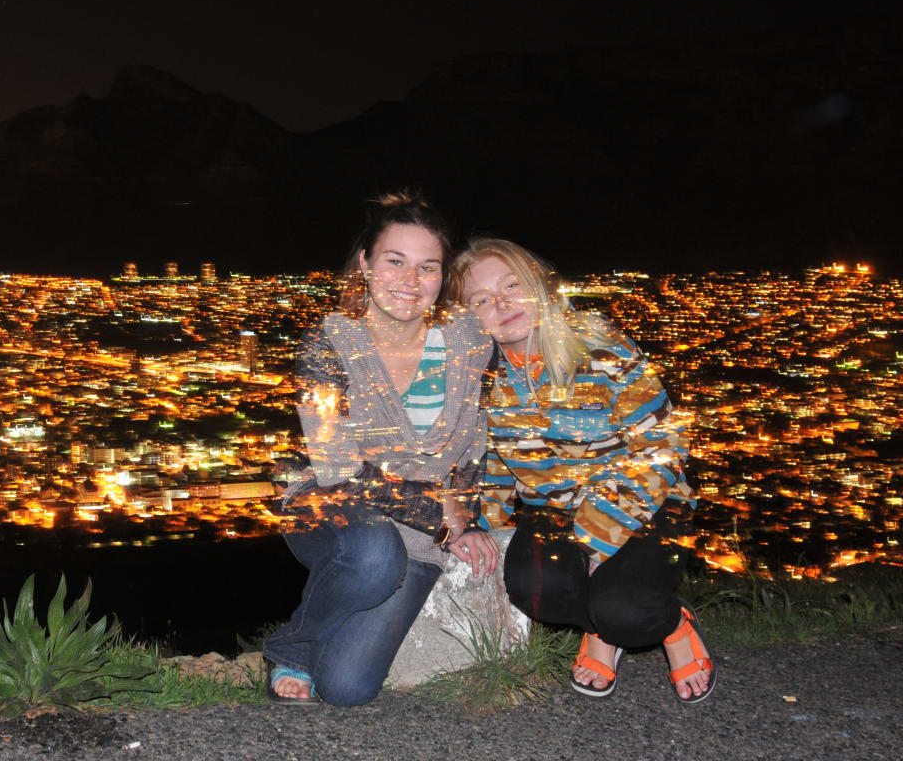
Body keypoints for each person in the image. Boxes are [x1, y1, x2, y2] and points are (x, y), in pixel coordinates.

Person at [452, 238, 714, 703]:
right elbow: (493, 462)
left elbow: (664, 443)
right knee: (534, 591)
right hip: (553, 511)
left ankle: (670, 625)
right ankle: (601, 624)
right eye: (482, 300)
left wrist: (598, 536)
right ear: (470, 318)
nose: (502, 303)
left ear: (540, 284)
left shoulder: (598, 344)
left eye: (513, 284)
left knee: (626, 611)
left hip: (648, 502)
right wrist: (483, 526)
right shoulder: (484, 379)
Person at [265, 192, 499, 706]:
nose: (410, 281)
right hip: (328, 502)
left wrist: (467, 512)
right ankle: (293, 647)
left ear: (443, 277)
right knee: (373, 558)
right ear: (365, 264)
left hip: (419, 529)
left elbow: (475, 443)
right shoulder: (325, 346)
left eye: (428, 267)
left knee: (348, 689)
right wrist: (441, 511)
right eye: (395, 261)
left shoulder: (470, 341)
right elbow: (336, 467)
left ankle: (325, 638)